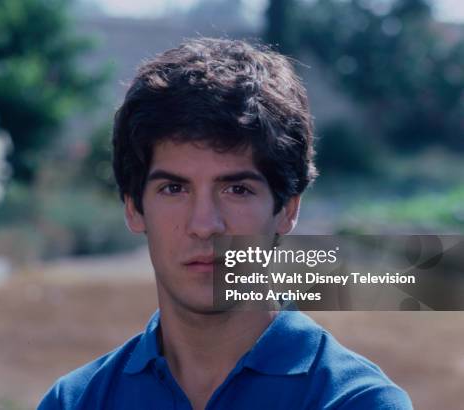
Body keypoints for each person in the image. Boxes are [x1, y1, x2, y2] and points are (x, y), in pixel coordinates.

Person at [38, 38, 413, 410]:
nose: (205, 225)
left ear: (287, 209)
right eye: (173, 188)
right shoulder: (74, 401)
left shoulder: (357, 402)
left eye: (236, 189)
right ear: (134, 208)